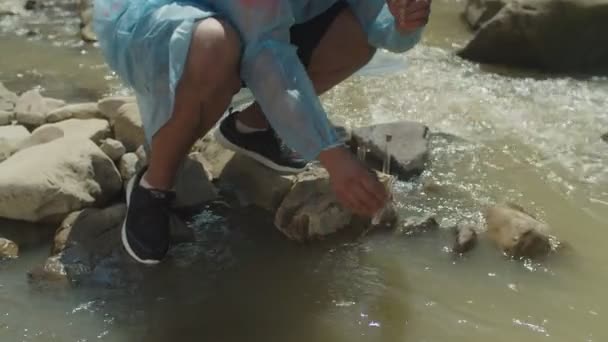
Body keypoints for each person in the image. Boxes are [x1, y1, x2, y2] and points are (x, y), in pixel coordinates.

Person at [93, 0, 431, 265]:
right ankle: (154, 185)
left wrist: (403, 22)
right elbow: (265, 57)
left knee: (356, 36)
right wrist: (333, 156)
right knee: (215, 45)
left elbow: (378, 24)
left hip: (255, 26)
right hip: (163, 25)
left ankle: (251, 128)